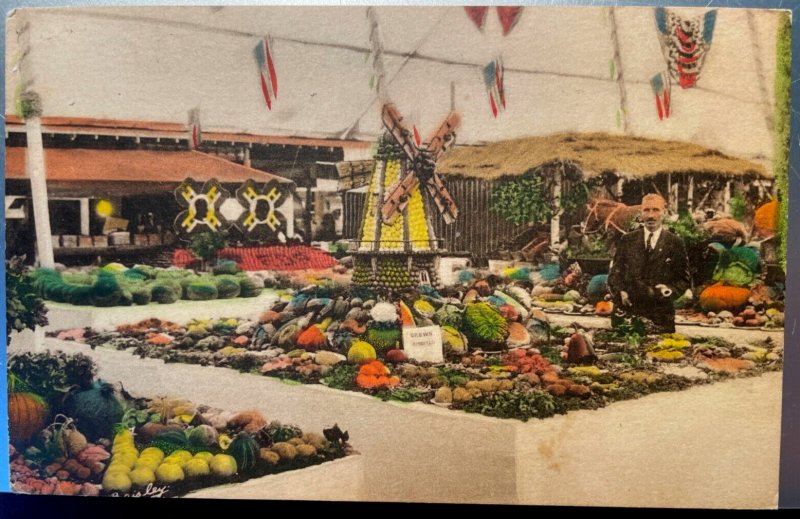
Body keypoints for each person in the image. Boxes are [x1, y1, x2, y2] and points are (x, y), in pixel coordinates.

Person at [607, 193, 690, 333]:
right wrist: (621, 291)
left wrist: (667, 292)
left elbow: (684, 279)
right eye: (647, 210)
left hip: (660, 317)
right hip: (628, 315)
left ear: (664, 213)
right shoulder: (627, 240)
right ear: (641, 213)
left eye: (656, 210)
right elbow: (615, 274)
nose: (651, 215)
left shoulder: (674, 242)